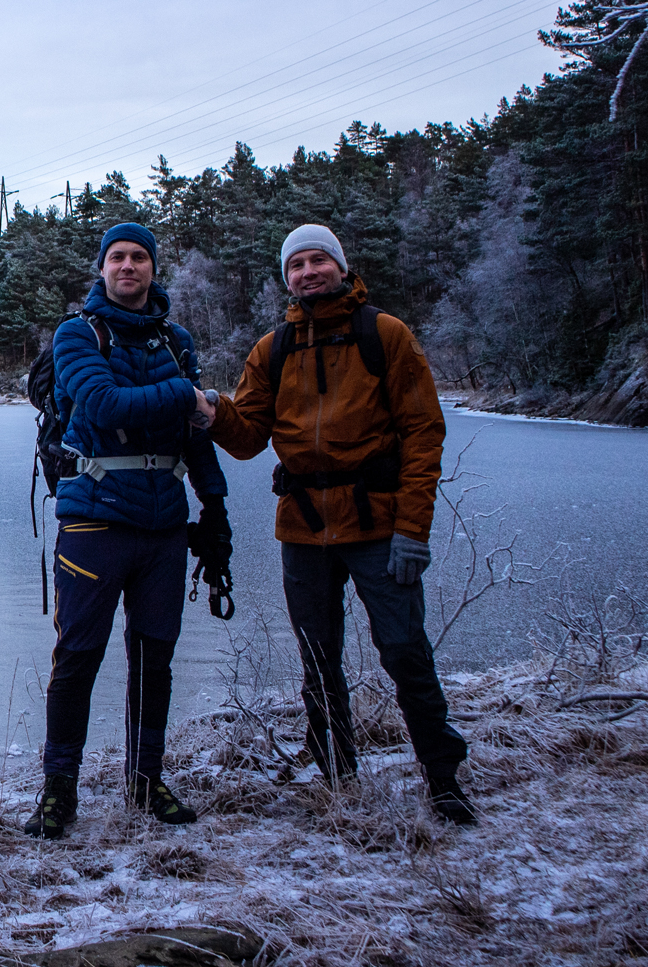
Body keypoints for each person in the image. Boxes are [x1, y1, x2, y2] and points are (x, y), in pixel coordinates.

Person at [204, 224, 476, 825]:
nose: (307, 272)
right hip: (302, 529)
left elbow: (424, 434)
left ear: (341, 266)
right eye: (296, 264)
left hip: (379, 526)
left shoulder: (385, 335)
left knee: (405, 651)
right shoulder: (272, 349)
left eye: (317, 260)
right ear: (287, 279)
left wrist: (413, 530)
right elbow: (248, 438)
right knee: (317, 657)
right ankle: (335, 774)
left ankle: (443, 777)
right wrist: (210, 410)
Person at [24, 222, 230, 839]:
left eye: (139, 256)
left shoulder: (176, 339)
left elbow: (197, 436)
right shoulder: (76, 333)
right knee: (78, 657)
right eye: (118, 257)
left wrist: (214, 511)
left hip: (165, 525)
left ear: (152, 268)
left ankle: (146, 783)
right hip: (93, 521)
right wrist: (187, 394)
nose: (128, 266)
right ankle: (59, 792)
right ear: (103, 268)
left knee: (154, 659)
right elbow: (102, 405)